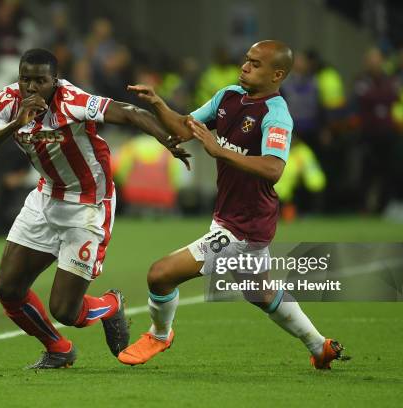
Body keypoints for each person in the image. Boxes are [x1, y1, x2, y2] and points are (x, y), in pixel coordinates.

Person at [120, 40, 346, 369]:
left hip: (244, 226)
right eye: (246, 60)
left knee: (160, 275)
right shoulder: (228, 96)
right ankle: (319, 346)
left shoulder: (276, 114)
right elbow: (184, 129)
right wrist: (158, 102)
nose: (245, 66)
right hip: (232, 216)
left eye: (255, 64)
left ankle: (159, 334)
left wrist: (219, 150)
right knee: (260, 293)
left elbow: (273, 168)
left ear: (276, 74)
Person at [0, 48, 190, 369]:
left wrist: (166, 139)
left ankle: (110, 305)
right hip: (45, 199)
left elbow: (129, 112)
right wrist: (16, 122)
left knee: (66, 311)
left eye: (40, 81)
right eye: (25, 79)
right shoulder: (9, 101)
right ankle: (58, 349)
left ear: (54, 81)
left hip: (88, 207)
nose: (31, 88)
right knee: (8, 288)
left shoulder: (71, 100)